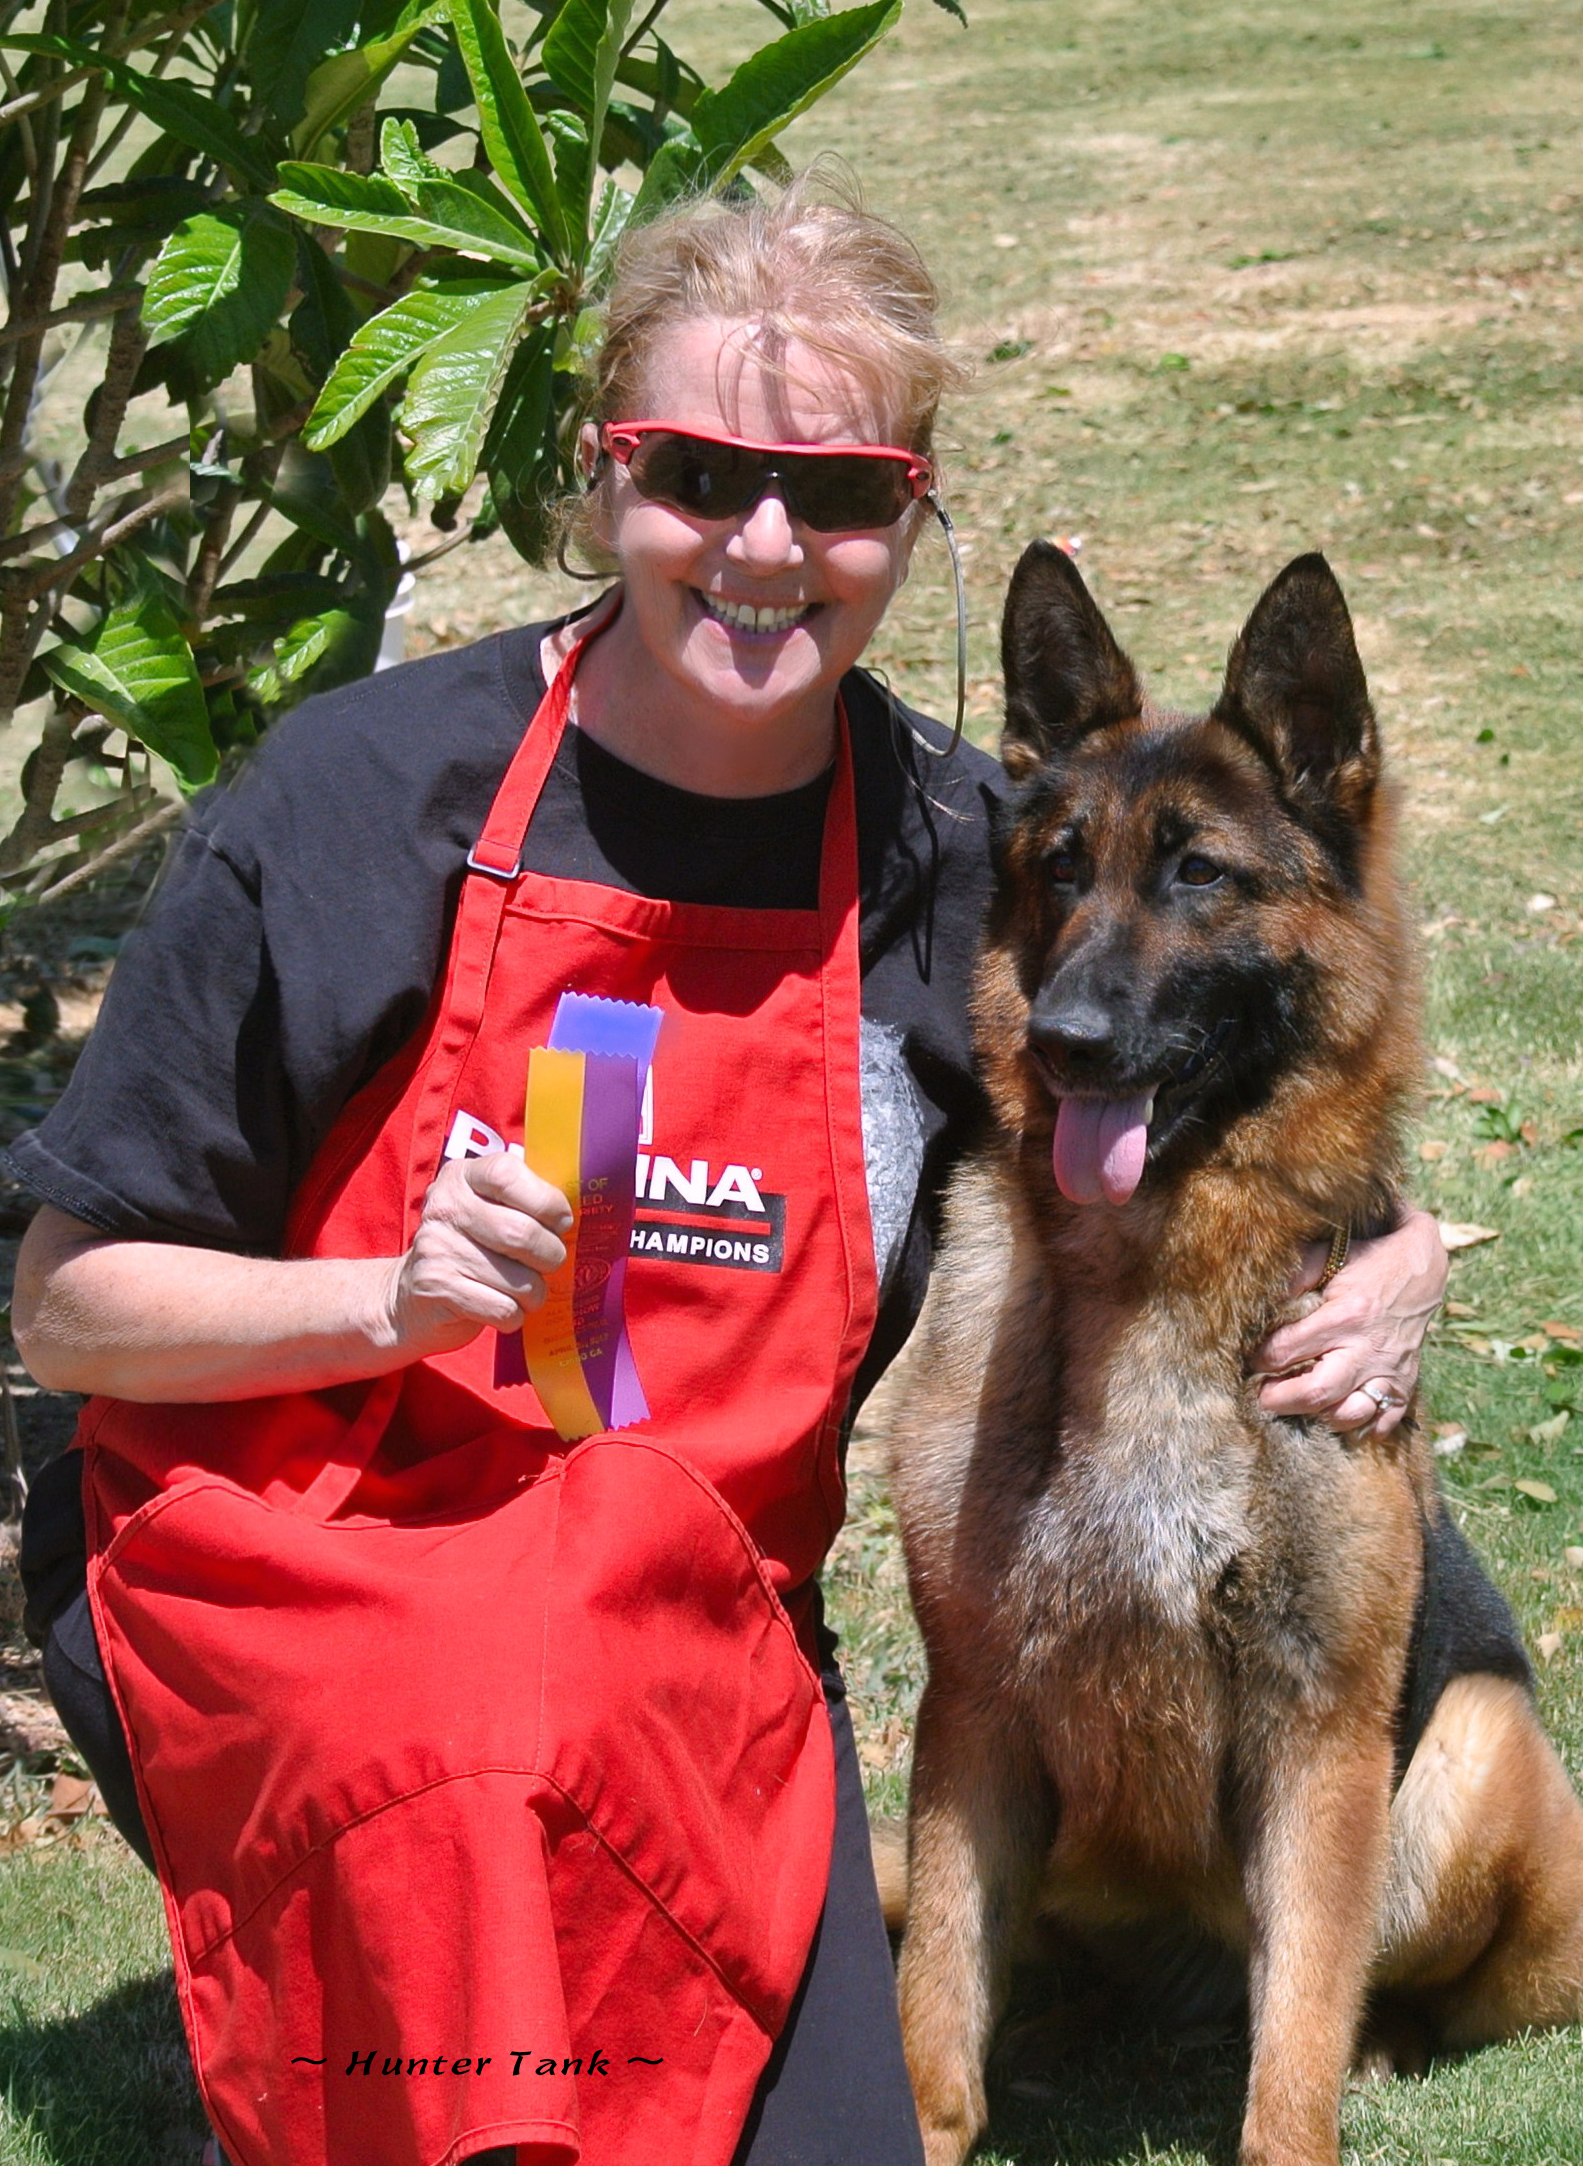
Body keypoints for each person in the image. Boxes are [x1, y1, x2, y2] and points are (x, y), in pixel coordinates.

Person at [6, 181, 1447, 2166]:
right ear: (607, 478)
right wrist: (386, 1299)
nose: (766, 545)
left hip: (683, 1624)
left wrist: (1402, 1248)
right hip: (316, 1566)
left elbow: (1236, 1054)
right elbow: (69, 1311)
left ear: (909, 517)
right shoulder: (359, 801)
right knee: (491, 2085)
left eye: (837, 492)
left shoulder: (974, 857)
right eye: (700, 473)